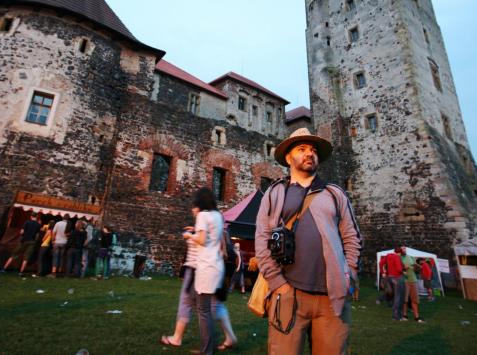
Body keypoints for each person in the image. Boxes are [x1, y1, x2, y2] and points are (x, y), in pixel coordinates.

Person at [255, 128, 361, 355]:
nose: (309, 153)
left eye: (313, 150)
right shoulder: (275, 193)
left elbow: (352, 236)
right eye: (301, 149)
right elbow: (262, 240)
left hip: (332, 297)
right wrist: (278, 283)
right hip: (288, 292)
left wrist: (350, 273)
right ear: (288, 158)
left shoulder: (335, 194)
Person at [160, 203, 237, 351]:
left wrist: (190, 235)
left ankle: (184, 339)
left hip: (201, 271)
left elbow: (203, 243)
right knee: (213, 306)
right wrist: (194, 231)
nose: (193, 210)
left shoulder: (207, 222)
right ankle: (227, 338)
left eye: (195, 207)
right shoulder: (213, 227)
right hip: (210, 271)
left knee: (195, 305)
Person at [184, 188, 227, 355]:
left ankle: (207, 350)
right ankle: (209, 345)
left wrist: (189, 236)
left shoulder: (202, 215)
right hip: (216, 266)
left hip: (206, 267)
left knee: (203, 311)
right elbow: (211, 236)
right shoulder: (218, 215)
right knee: (199, 302)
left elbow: (202, 240)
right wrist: (196, 230)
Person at [0, 212, 41, 276]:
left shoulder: (27, 222)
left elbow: (22, 232)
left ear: (31, 216)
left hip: (24, 241)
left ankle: (4, 269)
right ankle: (21, 272)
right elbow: (37, 235)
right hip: (32, 242)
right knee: (26, 258)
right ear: (37, 217)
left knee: (14, 254)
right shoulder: (38, 225)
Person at [379, 247, 405, 320]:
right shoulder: (397, 257)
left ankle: (395, 314)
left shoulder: (388, 256)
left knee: (393, 295)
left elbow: (380, 263)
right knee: (398, 297)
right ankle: (396, 316)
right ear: (400, 253)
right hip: (397, 278)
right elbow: (399, 269)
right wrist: (403, 271)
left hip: (389, 277)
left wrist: (382, 272)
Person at [400, 246, 424, 323]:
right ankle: (404, 316)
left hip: (413, 280)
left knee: (415, 300)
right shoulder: (398, 258)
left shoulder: (411, 257)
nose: (404, 250)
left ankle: (417, 317)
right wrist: (404, 268)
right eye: (402, 249)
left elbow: (417, 271)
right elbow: (397, 270)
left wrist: (418, 267)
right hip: (404, 281)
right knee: (405, 300)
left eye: (405, 248)